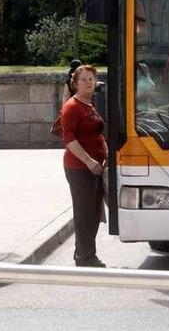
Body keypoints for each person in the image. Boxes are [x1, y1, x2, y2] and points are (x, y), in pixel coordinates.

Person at [60, 65, 108, 267]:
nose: (89, 82)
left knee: (95, 212)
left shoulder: (89, 104)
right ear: (75, 84)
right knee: (85, 213)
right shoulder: (72, 107)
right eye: (84, 79)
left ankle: (84, 252)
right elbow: (69, 140)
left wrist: (105, 152)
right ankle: (85, 256)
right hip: (79, 168)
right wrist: (88, 160)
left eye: (92, 78)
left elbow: (97, 134)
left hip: (95, 167)